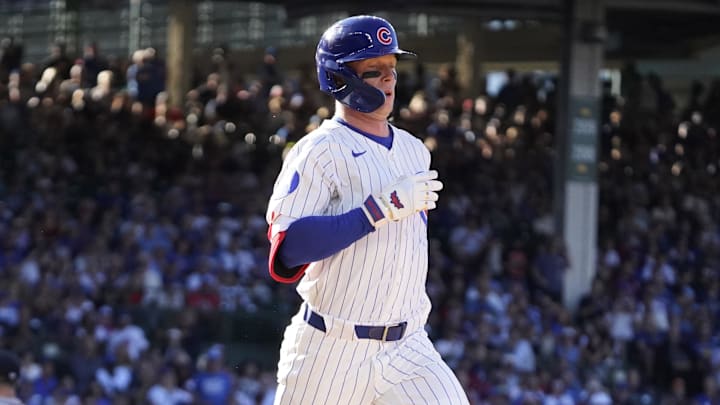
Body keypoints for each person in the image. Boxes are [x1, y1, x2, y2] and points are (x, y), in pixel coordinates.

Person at [265, 15, 469, 405]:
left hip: (408, 346)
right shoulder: (319, 151)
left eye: (392, 68)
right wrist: (375, 210)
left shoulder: (414, 150)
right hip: (331, 348)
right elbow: (287, 250)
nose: (390, 80)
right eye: (374, 70)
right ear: (341, 77)